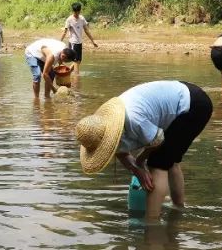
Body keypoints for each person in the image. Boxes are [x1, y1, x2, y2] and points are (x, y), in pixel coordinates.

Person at [75, 81, 213, 220]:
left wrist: (140, 161)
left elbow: (158, 141)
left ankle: (151, 224)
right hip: (182, 96)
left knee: (157, 163)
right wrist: (136, 170)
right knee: (170, 160)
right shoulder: (109, 124)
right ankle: (178, 210)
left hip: (192, 105)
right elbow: (120, 151)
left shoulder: (134, 120)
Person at [62, 2, 98, 73]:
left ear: (80, 10)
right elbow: (64, 32)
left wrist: (93, 41)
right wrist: (60, 41)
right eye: (75, 12)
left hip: (79, 42)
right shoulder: (69, 19)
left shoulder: (82, 18)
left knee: (79, 61)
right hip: (73, 42)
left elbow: (86, 30)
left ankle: (67, 72)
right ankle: (76, 77)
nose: (77, 13)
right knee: (76, 61)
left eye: (78, 12)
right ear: (73, 11)